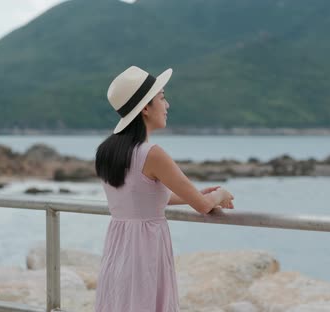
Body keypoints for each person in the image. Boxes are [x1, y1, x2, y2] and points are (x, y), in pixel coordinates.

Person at [93, 66, 234, 312]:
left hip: (118, 248)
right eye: (162, 97)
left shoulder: (107, 152)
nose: (167, 105)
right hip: (146, 250)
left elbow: (142, 197)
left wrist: (196, 194)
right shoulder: (152, 154)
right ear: (145, 108)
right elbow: (203, 208)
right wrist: (220, 195)